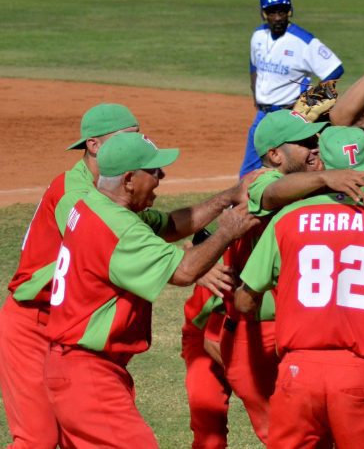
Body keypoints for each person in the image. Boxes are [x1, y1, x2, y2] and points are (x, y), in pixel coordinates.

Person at [43, 132, 259, 447]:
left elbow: (173, 225)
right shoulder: (120, 230)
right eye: (154, 171)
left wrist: (229, 195)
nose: (161, 177)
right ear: (129, 179)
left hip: (74, 367)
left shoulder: (93, 203)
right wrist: (227, 231)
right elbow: (185, 272)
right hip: (87, 372)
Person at [237, 126, 364, 448]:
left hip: (297, 372)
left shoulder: (287, 218)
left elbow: (244, 301)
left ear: (321, 166)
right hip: (359, 374)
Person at [0, 103, 140, 449]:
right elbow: (103, 245)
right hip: (33, 324)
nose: (134, 148)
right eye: (126, 139)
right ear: (93, 145)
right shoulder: (74, 192)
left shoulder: (108, 192)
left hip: (68, 328)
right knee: (37, 439)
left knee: (85, 433)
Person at [220, 109, 327, 444]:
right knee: (287, 437)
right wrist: (328, 178)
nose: (315, 148)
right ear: (275, 154)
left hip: (298, 330)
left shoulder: (310, 183)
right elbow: (274, 193)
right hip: (258, 333)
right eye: (305, 143)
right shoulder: (261, 182)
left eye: (316, 141)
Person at [240, 0, 344, 177]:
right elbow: (254, 65)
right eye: (272, 12)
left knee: (288, 170)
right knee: (248, 171)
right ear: (264, 14)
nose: (278, 17)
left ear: (289, 12)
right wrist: (256, 95)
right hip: (263, 115)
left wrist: (310, 102)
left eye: (282, 11)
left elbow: (335, 69)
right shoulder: (258, 36)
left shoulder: (303, 41)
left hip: (289, 116)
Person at [181, 284, 231, 449]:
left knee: (276, 423)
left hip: (259, 324)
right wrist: (200, 269)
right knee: (208, 435)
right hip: (202, 324)